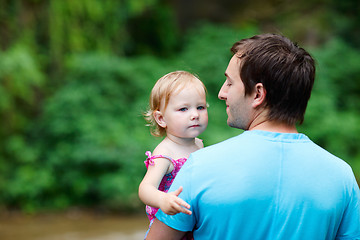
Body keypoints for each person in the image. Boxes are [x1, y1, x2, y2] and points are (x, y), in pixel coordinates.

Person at [146, 34, 360, 239]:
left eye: (230, 82)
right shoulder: (343, 178)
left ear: (258, 94)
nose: (221, 93)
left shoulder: (199, 167)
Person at [138, 70, 208, 239]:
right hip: (170, 225)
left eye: (200, 107)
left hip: (195, 221)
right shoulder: (165, 153)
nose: (195, 115)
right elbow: (145, 189)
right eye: (183, 109)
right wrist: (163, 199)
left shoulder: (199, 144)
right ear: (161, 119)